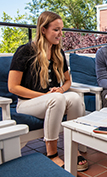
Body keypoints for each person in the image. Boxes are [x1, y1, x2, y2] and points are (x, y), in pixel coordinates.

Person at [8, 11, 88, 171]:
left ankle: (74, 148)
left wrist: (61, 89)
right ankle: (52, 153)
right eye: (56, 29)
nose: (60, 34)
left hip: (50, 101)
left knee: (74, 97)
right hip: (27, 103)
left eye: (61, 29)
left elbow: (67, 81)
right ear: (43, 30)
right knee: (57, 99)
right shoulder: (25, 51)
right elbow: (13, 87)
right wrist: (46, 96)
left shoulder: (58, 53)